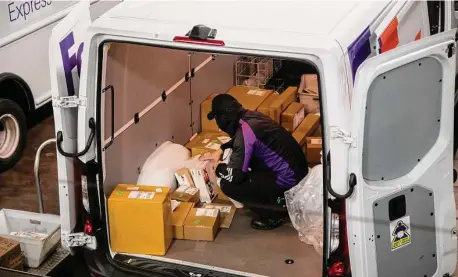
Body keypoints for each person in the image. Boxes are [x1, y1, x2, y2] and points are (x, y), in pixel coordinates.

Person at [201, 94, 309, 230]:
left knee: (228, 184)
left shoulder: (245, 132)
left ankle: (275, 212)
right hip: (297, 169)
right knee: (249, 164)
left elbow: (236, 176)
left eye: (217, 118)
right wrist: (221, 149)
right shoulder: (251, 117)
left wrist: (218, 168)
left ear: (224, 118)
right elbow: (242, 139)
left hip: (289, 178)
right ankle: (277, 196)